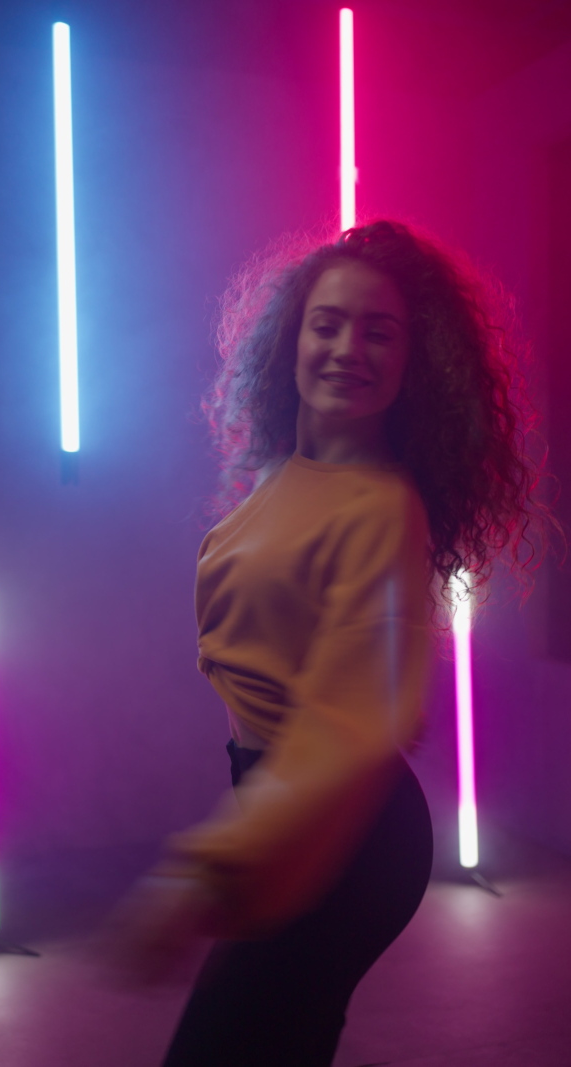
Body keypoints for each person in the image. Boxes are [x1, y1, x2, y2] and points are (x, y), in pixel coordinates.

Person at [110, 220, 553, 1066]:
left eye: (379, 331)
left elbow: (352, 720)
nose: (349, 348)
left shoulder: (380, 508)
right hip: (287, 799)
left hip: (348, 823)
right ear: (294, 337)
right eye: (329, 322)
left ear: (412, 362)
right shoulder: (284, 472)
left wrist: (201, 870)